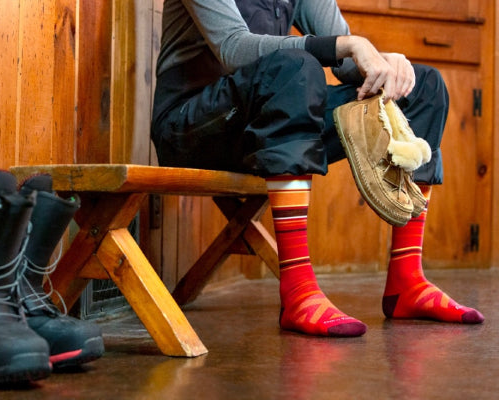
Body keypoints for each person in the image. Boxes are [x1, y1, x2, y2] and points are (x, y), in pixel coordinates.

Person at [150, 0, 484, 337]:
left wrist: (383, 64)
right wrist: (349, 45)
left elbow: (345, 65)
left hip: (261, 127)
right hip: (189, 128)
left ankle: (407, 282)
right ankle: (297, 290)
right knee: (295, 68)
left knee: (422, 85)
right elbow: (234, 48)